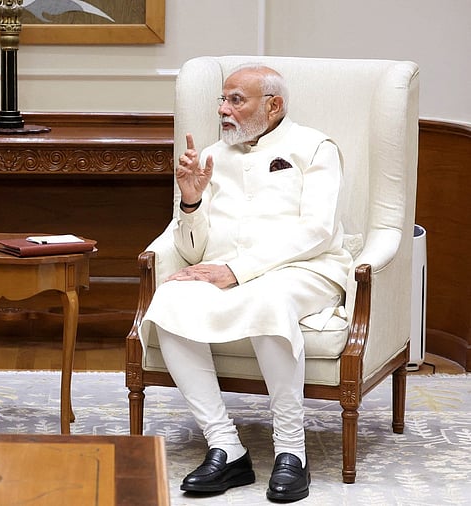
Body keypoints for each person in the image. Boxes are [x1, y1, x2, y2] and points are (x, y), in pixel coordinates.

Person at [139, 65, 351, 502]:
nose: (223, 110)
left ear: (273, 105)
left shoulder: (315, 147)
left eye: (236, 100)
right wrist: (191, 199)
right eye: (222, 99)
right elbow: (195, 252)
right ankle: (226, 447)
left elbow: (319, 231)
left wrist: (238, 271)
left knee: (268, 298)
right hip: (228, 270)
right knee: (170, 299)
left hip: (307, 269)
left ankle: (292, 450)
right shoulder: (213, 156)